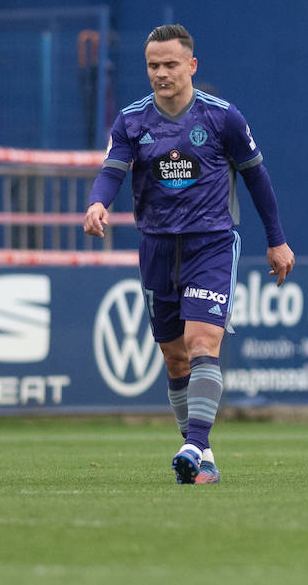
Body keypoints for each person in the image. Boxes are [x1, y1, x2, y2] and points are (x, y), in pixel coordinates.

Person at [83, 24, 295, 485]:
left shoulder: (223, 118)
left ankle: (193, 445)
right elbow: (112, 170)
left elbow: (257, 178)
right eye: (153, 66)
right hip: (156, 247)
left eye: (170, 64)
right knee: (175, 358)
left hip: (211, 244)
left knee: (202, 344)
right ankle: (205, 456)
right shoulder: (132, 120)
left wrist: (276, 240)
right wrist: (98, 203)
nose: (161, 73)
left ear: (192, 66)